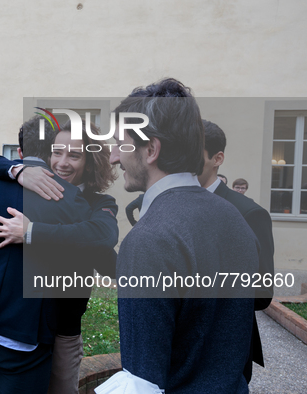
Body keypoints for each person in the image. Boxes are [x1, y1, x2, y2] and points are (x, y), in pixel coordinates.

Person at [110, 78, 259, 393]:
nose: (113, 157)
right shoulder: (234, 217)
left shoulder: (149, 239)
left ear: (151, 150)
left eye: (121, 145)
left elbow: (142, 382)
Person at [0, 121, 119, 394]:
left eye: (74, 155)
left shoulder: (98, 204)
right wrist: (17, 169)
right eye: (56, 152)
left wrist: (32, 232)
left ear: (90, 161)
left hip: (62, 328)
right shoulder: (32, 184)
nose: (62, 163)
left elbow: (103, 237)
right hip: (18, 325)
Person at [197, 119, 275, 383]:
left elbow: (262, 293)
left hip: (225, 344)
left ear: (218, 158)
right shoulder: (169, 202)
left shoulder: (249, 213)